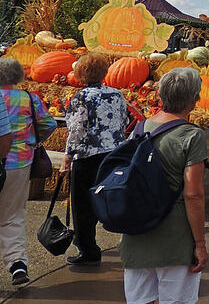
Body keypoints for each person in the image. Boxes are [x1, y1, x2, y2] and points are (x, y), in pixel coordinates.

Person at [120, 67, 208, 304]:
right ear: (194, 100)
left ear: (160, 95)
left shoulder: (140, 128)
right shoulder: (192, 135)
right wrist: (200, 243)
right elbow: (193, 194)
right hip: (175, 234)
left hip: (138, 228)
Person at [60, 53, 130, 266]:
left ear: (81, 73)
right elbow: (125, 120)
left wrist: (67, 157)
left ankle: (89, 250)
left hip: (88, 155)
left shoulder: (82, 97)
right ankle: (127, 243)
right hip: (114, 155)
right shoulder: (117, 94)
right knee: (112, 199)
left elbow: (76, 129)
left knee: (83, 206)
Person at [0, 58, 56, 286]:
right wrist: (32, 140)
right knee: (12, 216)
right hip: (19, 163)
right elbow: (49, 124)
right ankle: (17, 264)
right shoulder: (29, 99)